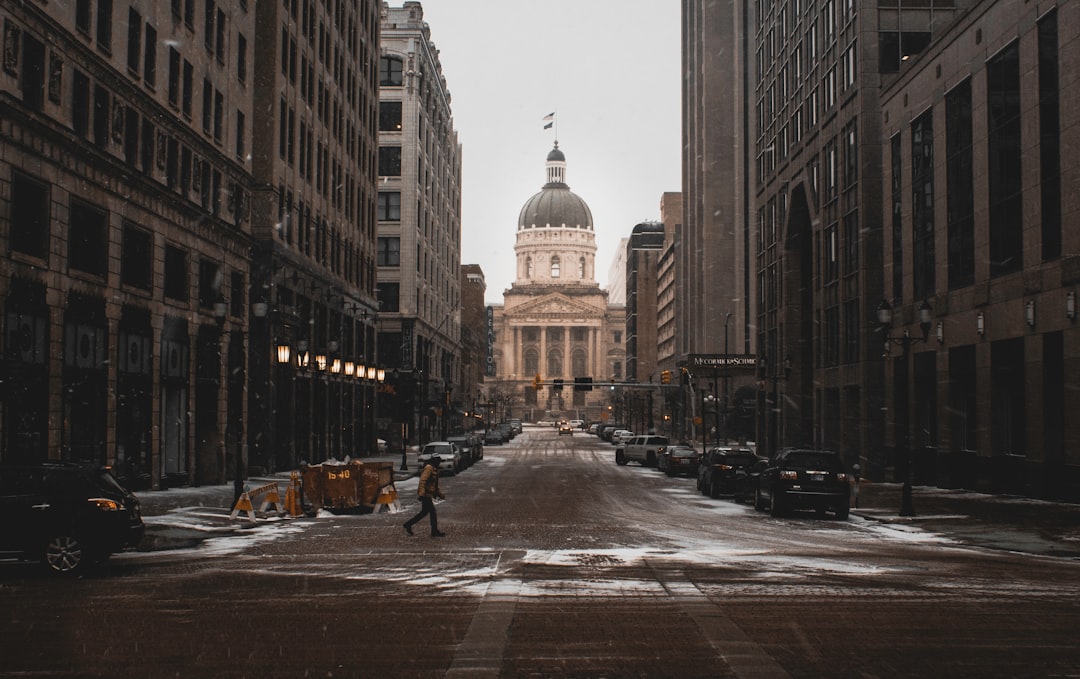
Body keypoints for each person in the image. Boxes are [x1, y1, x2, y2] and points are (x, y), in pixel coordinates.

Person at [404, 454, 446, 537]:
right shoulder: (429, 468)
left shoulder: (434, 469)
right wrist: (422, 494)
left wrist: (440, 494)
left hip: (428, 494)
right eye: (438, 461)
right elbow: (423, 481)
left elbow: (434, 485)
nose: (439, 463)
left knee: (424, 513)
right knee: (432, 513)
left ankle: (408, 524)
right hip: (425, 495)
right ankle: (434, 531)